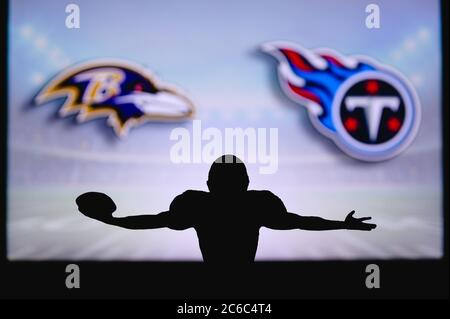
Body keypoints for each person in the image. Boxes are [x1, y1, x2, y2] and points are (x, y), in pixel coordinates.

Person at [77, 155, 376, 263]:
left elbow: (152, 221)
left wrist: (112, 220)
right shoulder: (257, 204)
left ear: (208, 183)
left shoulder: (197, 205)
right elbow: (300, 222)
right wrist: (343, 224)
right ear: (247, 181)